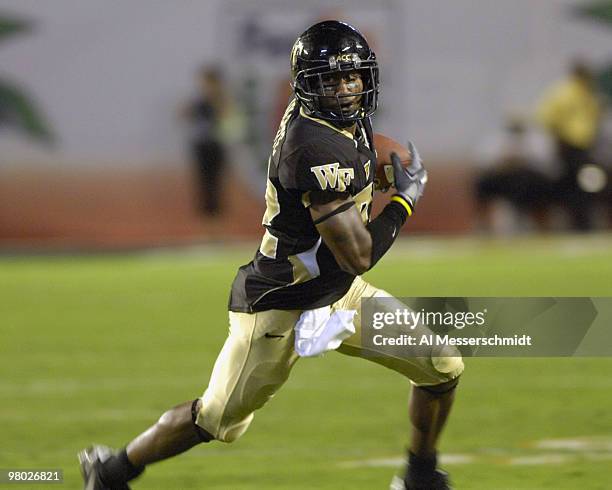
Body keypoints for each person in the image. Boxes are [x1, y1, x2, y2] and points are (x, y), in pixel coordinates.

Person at [79, 21, 463, 490]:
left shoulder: (343, 122)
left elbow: (354, 185)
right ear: (307, 84)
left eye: (352, 77)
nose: (345, 90)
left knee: (440, 365)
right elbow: (357, 254)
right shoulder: (312, 145)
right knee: (217, 419)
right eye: (330, 80)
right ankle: (113, 469)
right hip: (283, 304)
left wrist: (371, 178)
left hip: (339, 296)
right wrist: (404, 201)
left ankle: (420, 475)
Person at [536, 59, 603, 230]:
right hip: (568, 146)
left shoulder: (588, 93)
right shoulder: (563, 93)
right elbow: (546, 118)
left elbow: (595, 119)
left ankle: (582, 223)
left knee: (585, 184)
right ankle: (578, 223)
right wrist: (559, 138)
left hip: (585, 147)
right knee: (574, 185)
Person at [183, 66, 228, 217]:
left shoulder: (221, 100)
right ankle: (207, 224)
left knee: (216, 184)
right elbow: (184, 114)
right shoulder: (199, 102)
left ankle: (217, 223)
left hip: (216, 145)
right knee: (204, 185)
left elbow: (227, 118)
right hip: (202, 145)